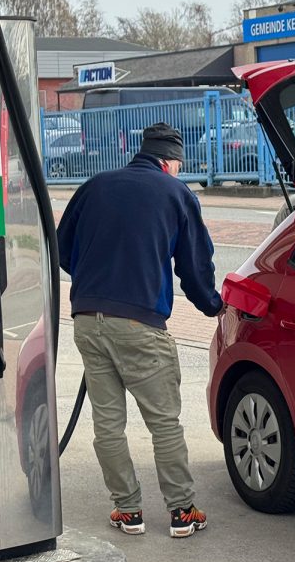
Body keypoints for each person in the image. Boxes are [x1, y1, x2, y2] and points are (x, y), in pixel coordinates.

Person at [57, 122, 223, 538]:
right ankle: (181, 511)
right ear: (170, 162)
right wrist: (212, 306)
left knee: (108, 423)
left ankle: (128, 511)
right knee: (163, 422)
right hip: (139, 324)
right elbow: (194, 266)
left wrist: (99, 282)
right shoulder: (176, 194)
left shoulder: (95, 186)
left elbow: (60, 248)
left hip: (87, 319)